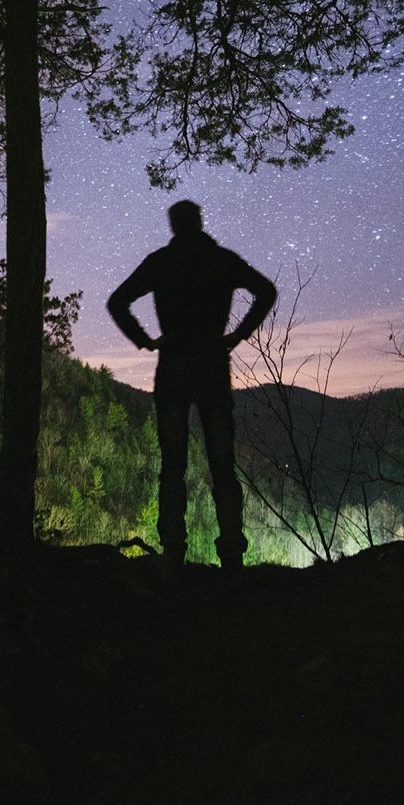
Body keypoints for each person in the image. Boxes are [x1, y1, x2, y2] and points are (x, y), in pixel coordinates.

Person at [107, 200, 277, 573]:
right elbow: (266, 291)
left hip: (173, 367)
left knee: (172, 466)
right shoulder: (222, 260)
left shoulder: (160, 262)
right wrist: (238, 335)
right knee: (223, 465)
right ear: (199, 222)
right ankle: (232, 555)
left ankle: (173, 553)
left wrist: (147, 341)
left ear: (173, 226)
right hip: (213, 365)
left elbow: (117, 302)